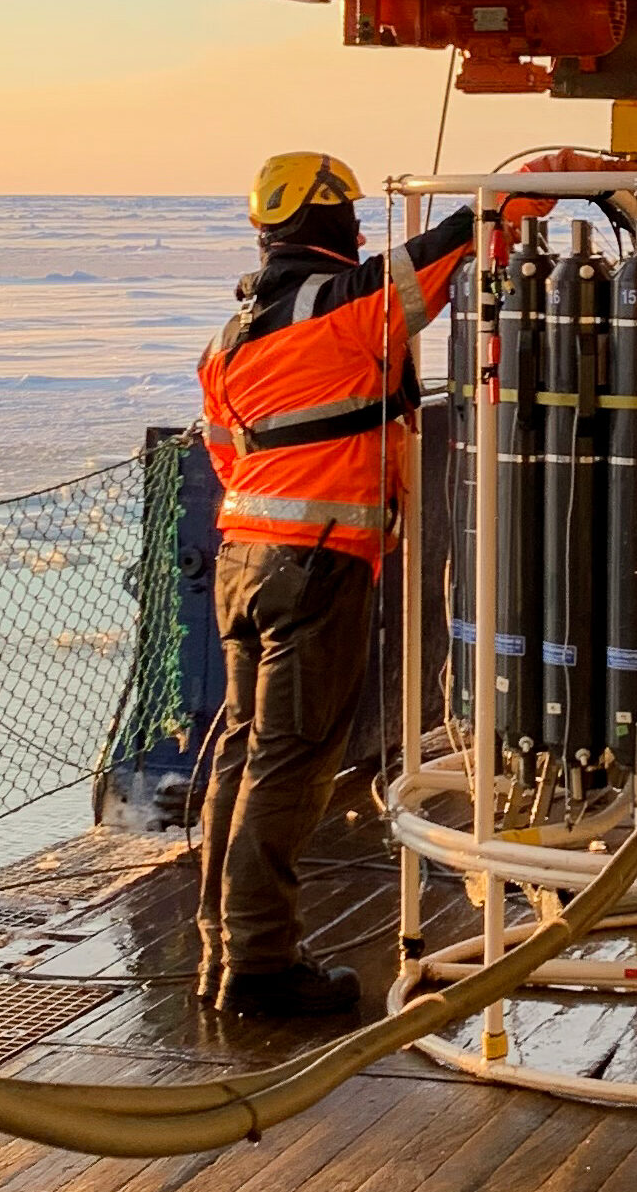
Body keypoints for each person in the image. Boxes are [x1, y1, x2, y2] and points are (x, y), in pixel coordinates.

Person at [192, 151, 473, 1020]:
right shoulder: (347, 307)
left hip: (242, 562)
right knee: (292, 760)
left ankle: (221, 948)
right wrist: (523, 191)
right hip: (316, 564)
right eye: (348, 214)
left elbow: (224, 453)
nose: (358, 227)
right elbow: (451, 247)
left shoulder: (229, 336)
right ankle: (261, 966)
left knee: (244, 749)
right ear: (331, 223)